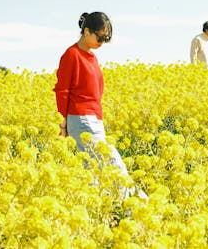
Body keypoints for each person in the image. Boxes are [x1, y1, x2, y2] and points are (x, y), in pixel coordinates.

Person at [53, 11, 147, 200]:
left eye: (106, 39)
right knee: (113, 165)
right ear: (86, 31)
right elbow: (62, 91)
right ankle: (136, 208)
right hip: (81, 118)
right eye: (100, 37)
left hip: (93, 118)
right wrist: (63, 124)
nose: (102, 43)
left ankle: (103, 213)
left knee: (95, 170)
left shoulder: (91, 57)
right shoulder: (71, 55)